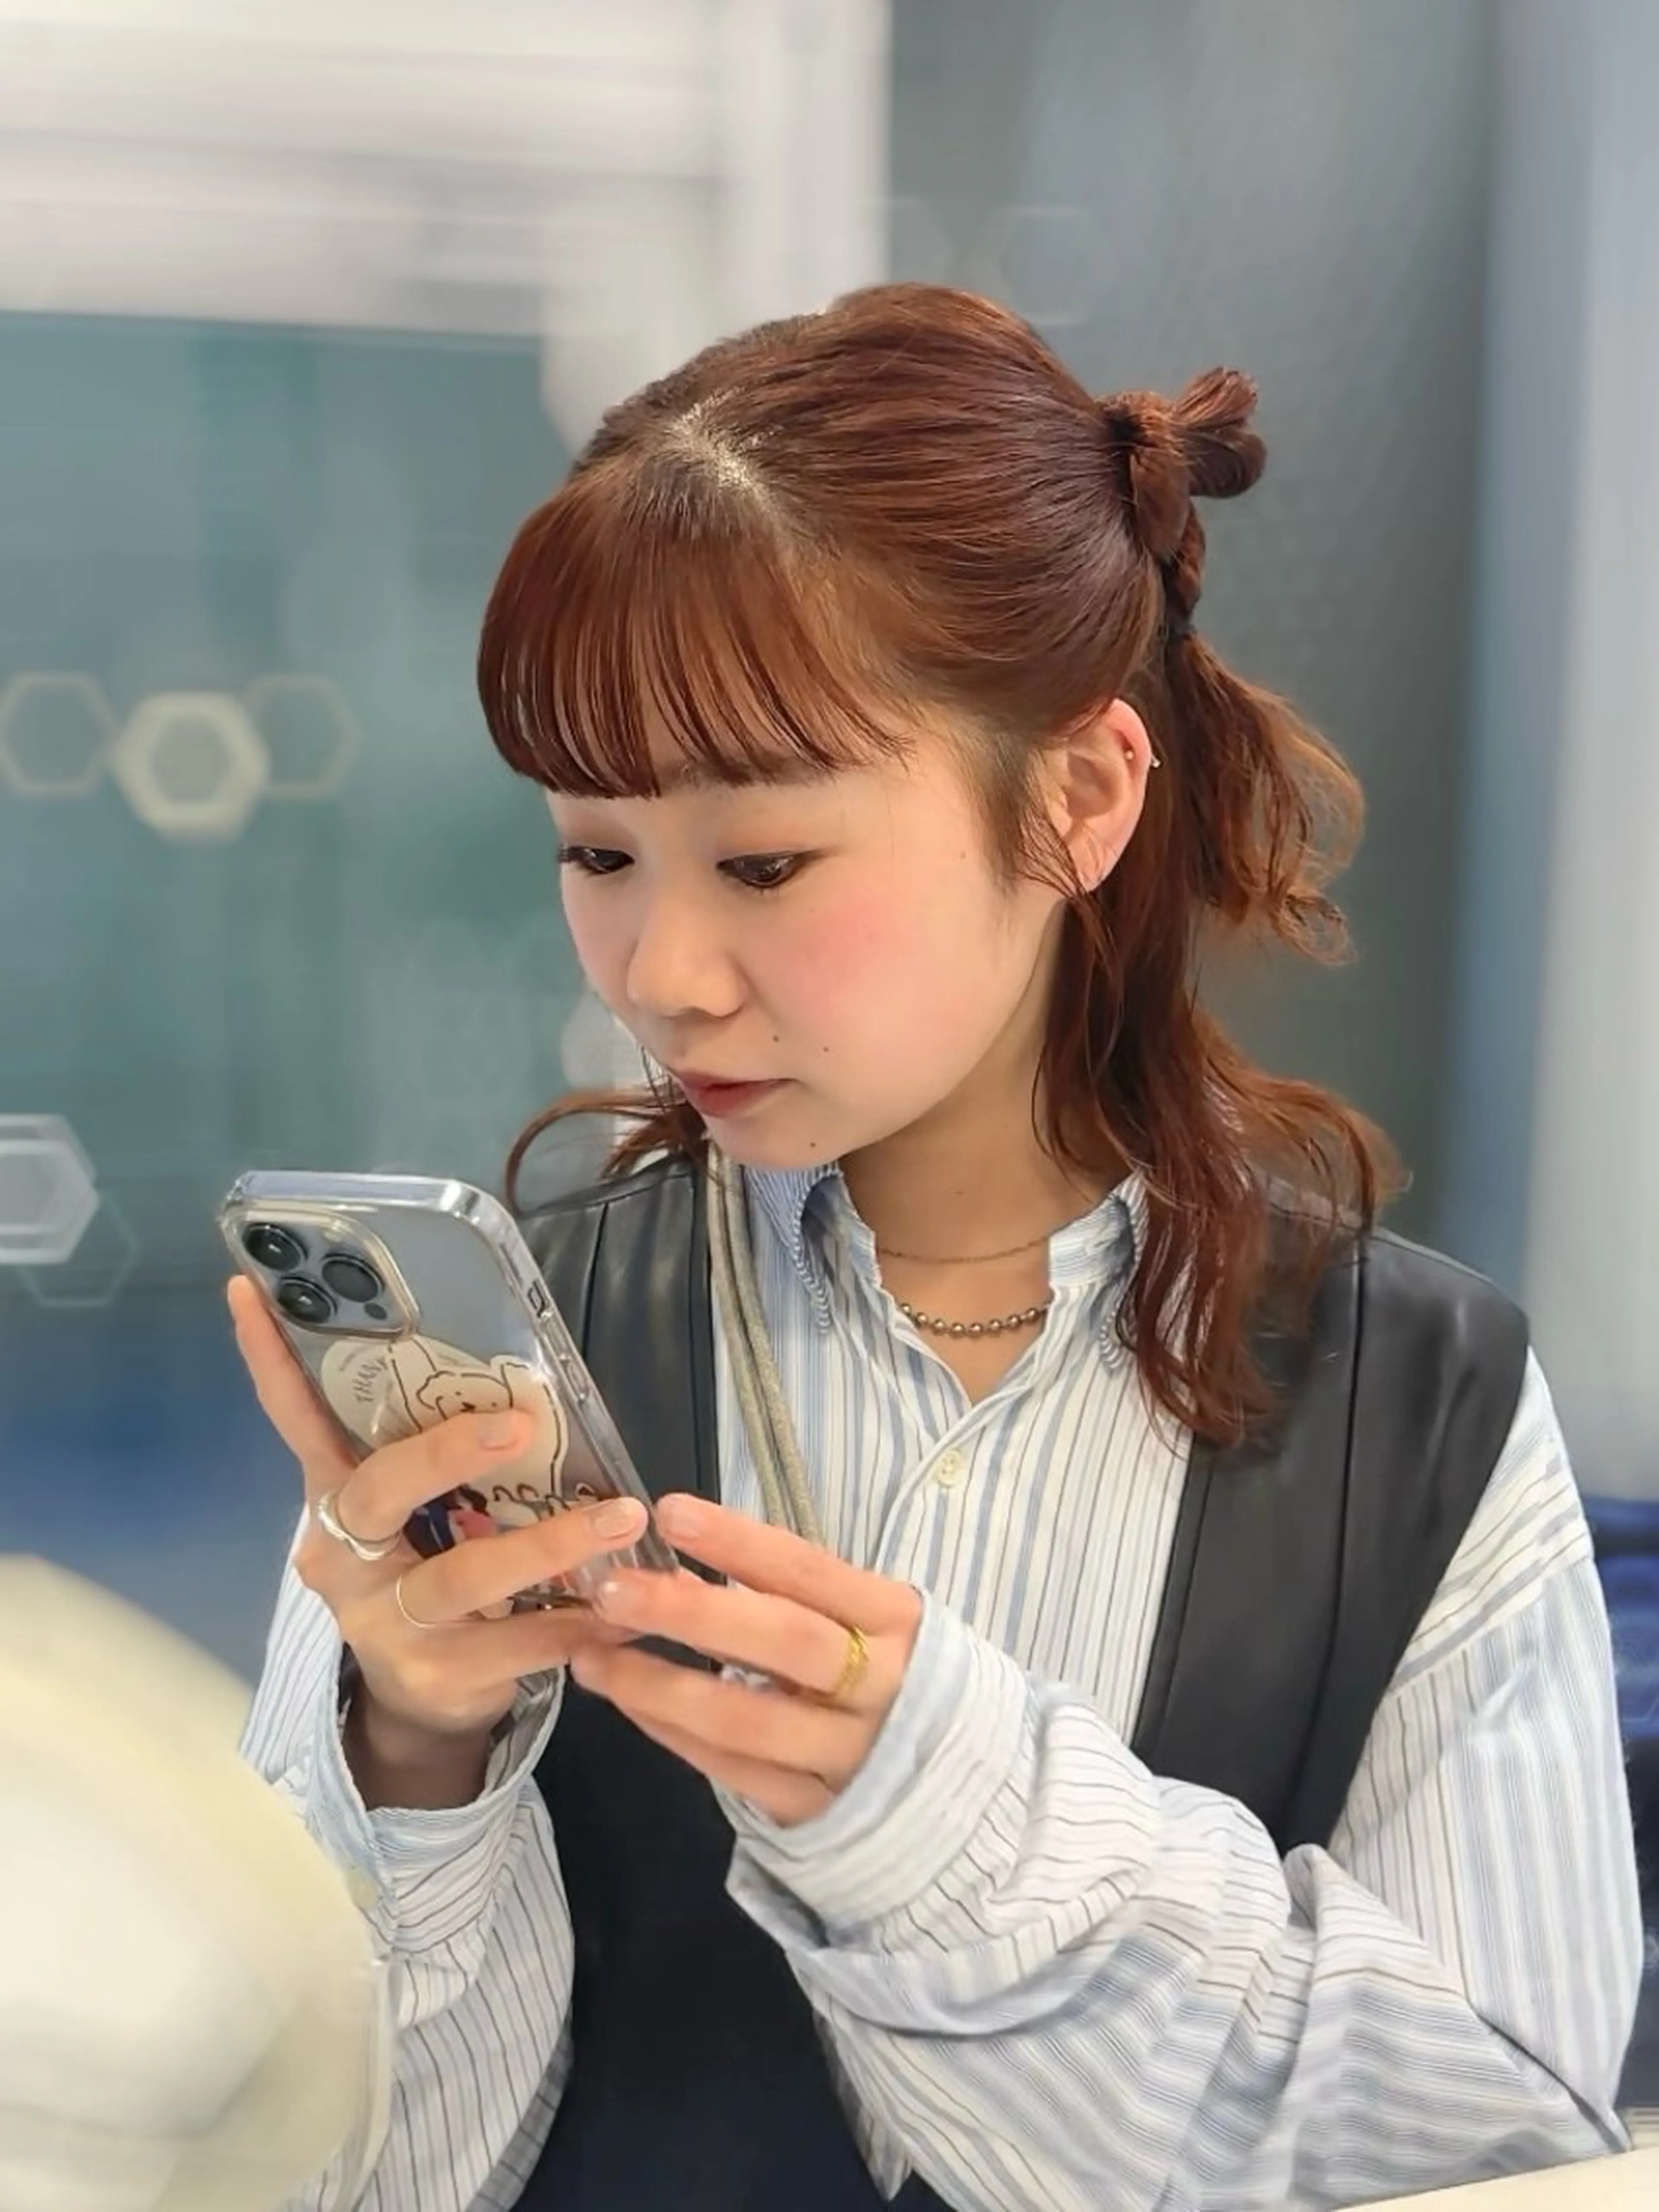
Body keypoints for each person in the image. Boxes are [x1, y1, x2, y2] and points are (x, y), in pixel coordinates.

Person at [234, 283, 1643, 2212]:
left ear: (1077, 797)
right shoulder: (519, 1363)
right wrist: (407, 1752)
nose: (661, 970)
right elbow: (319, 2172)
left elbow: (1512, 2149)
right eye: (594, 851)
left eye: (764, 863)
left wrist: (946, 1802)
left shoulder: (1426, 1403)